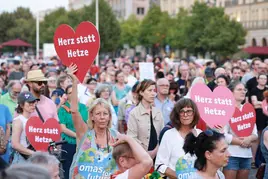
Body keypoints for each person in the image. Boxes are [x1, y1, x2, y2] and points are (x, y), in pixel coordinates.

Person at [68, 64, 118, 178]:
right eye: (98, 114)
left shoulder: (116, 136)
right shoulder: (84, 133)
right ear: (91, 116)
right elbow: (74, 111)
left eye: (105, 114)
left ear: (110, 117)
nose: (102, 117)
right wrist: (74, 83)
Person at [155, 98, 201, 178]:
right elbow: (159, 165)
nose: (185, 115)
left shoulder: (201, 135)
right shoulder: (169, 135)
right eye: (182, 111)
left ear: (194, 113)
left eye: (189, 111)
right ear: (177, 114)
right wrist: (181, 177)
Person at [223, 81, 258, 179]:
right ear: (231, 92)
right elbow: (222, 135)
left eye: (244, 90)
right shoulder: (225, 110)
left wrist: (249, 139)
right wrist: (241, 142)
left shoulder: (248, 109)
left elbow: (255, 134)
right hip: (230, 155)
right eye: (239, 89)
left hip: (246, 156)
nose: (243, 92)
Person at [127, 79, 164, 159]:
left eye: (154, 90)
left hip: (158, 156)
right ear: (141, 92)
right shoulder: (134, 113)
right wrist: (145, 154)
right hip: (140, 157)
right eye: (150, 90)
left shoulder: (158, 112)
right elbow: (132, 137)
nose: (153, 94)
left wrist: (154, 152)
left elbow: (162, 136)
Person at [58, 85, 88, 179]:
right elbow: (63, 128)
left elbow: (87, 124)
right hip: (68, 143)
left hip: (83, 143)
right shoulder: (63, 109)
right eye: (70, 93)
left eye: (75, 92)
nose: (74, 94)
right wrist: (78, 136)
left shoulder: (83, 107)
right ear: (66, 95)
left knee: (82, 168)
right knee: (68, 169)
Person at [11, 92, 37, 163]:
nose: (33, 105)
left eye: (34, 102)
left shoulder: (32, 120)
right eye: (30, 103)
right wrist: (34, 153)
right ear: (22, 105)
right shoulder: (18, 121)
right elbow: (15, 144)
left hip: (31, 159)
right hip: (21, 158)